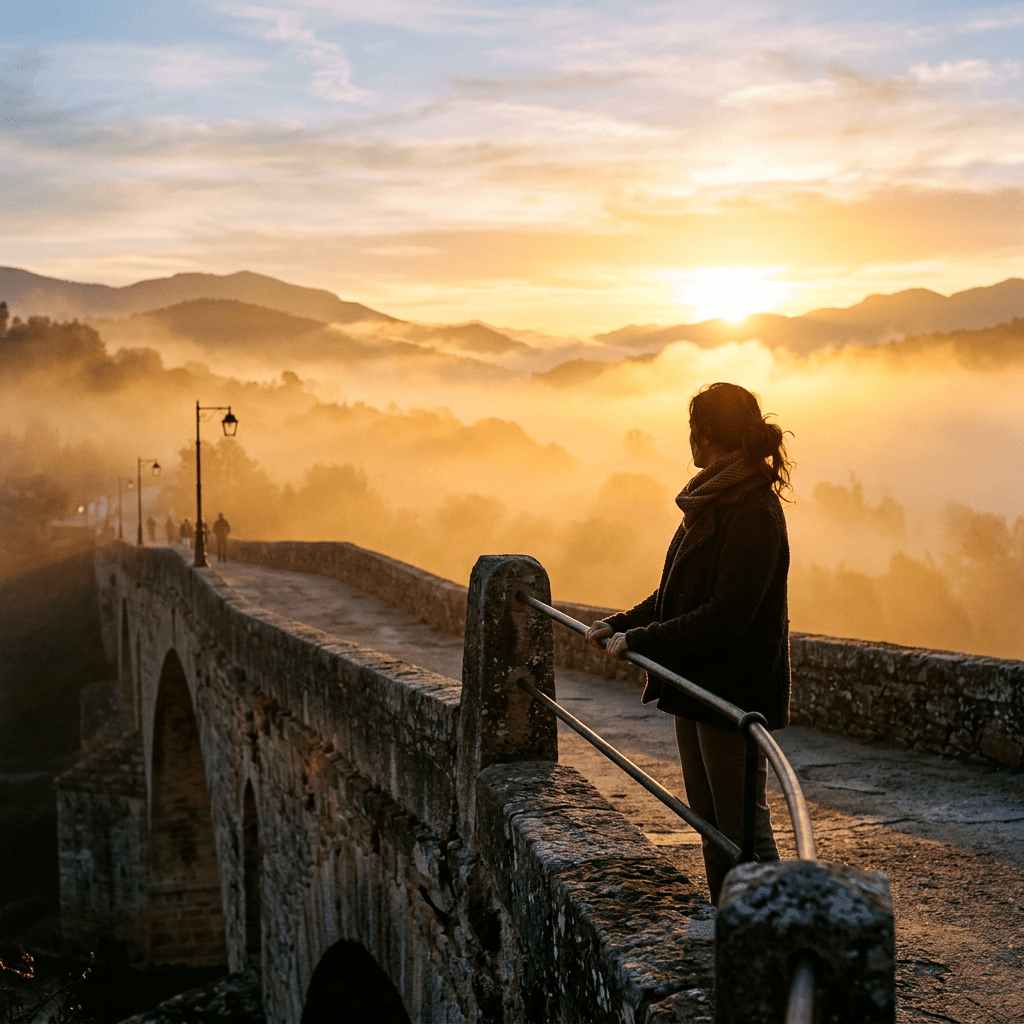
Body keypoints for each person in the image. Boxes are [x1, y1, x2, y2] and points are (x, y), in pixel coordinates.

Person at [585, 382, 792, 906]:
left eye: (694, 431)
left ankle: (778, 935)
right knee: (709, 819)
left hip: (729, 692)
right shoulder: (714, 497)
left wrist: (642, 639)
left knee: (743, 831)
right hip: (697, 685)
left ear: (711, 436)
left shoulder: (751, 512)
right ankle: (732, 922)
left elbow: (727, 615)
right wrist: (621, 623)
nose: (689, 443)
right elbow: (677, 591)